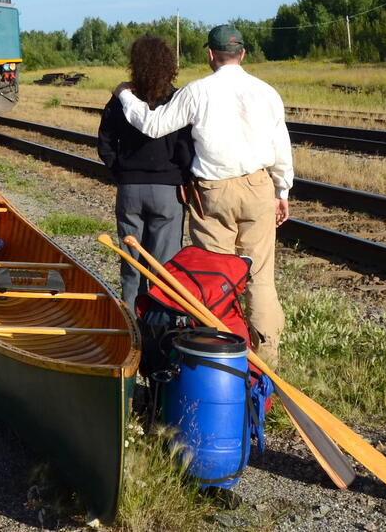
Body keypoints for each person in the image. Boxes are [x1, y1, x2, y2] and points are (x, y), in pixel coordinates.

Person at [113, 24, 293, 369]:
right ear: (243, 54)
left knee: (213, 278)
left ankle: (217, 355)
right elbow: (280, 146)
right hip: (259, 186)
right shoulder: (267, 92)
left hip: (213, 194)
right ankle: (266, 357)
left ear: (210, 55)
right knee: (260, 275)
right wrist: (282, 191)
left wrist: (125, 95)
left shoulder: (197, 92)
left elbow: (153, 125)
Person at [98, 36, 194, 313]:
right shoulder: (177, 100)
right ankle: (160, 323)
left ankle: (131, 324)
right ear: (169, 65)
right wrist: (184, 179)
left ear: (135, 65)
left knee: (132, 264)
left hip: (130, 190)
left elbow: (105, 142)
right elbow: (186, 148)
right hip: (168, 192)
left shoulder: (120, 101)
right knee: (164, 267)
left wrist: (121, 172)